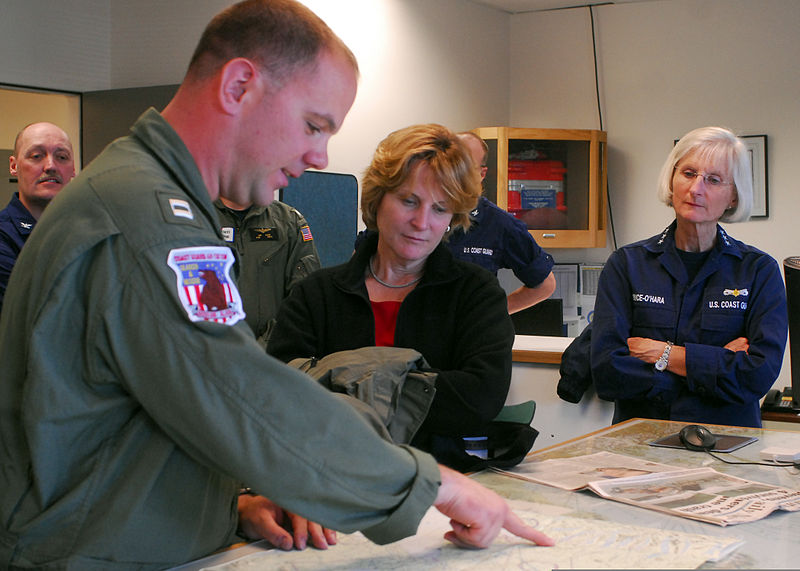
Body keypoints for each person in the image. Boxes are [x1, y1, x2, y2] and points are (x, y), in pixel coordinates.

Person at [0, 1, 552, 569]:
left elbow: (165, 411)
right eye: (313, 125)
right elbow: (242, 395)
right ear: (239, 86)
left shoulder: (144, 198)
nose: (318, 156)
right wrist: (433, 486)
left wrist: (223, 505)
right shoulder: (150, 221)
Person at [267, 123, 517, 470]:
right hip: (327, 479)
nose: (421, 222)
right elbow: (283, 394)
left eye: (440, 209)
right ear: (377, 198)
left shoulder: (476, 294)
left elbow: (480, 398)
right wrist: (416, 386)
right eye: (409, 201)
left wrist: (341, 374)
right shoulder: (317, 294)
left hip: (441, 485)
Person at [591, 126, 788, 427]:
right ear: (671, 180)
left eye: (713, 179)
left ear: (733, 196)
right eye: (688, 173)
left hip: (727, 446)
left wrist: (663, 354)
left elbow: (756, 376)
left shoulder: (758, 270)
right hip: (640, 445)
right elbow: (607, 373)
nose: (696, 189)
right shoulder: (626, 265)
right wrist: (711, 367)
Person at [445, 131, 556, 314]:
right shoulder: (422, 215)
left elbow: (544, 284)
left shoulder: (499, 224)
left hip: (469, 336)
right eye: (452, 165)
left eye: (467, 167)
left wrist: (491, 314)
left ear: (482, 173)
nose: (457, 174)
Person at [215, 196, 320, 346]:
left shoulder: (289, 222)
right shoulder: (196, 218)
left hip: (270, 355)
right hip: (209, 355)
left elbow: (304, 303)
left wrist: (263, 347)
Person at [0, 122, 75, 312]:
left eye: (62, 157)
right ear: (14, 166)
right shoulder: (4, 238)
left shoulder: (88, 233)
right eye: (36, 156)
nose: (50, 166)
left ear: (73, 169)